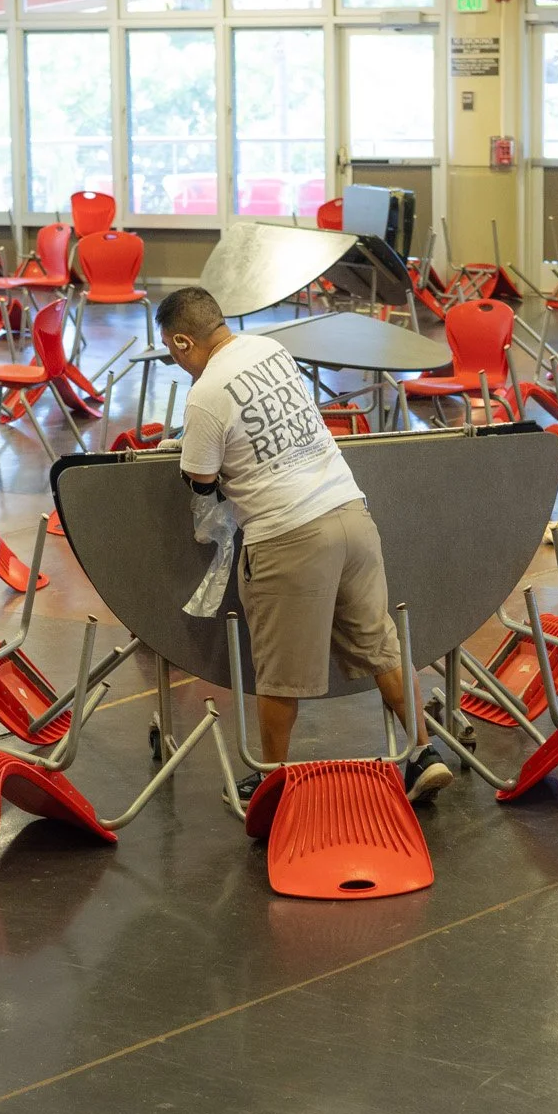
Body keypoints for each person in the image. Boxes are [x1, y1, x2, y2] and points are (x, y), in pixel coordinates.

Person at [159, 285, 451, 800]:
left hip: (289, 538)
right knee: (380, 647)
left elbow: (200, 480)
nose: (176, 363)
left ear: (183, 342)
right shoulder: (271, 351)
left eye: (172, 352)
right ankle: (424, 753)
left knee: (280, 673)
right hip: (350, 514)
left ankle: (273, 781)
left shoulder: (205, 393)